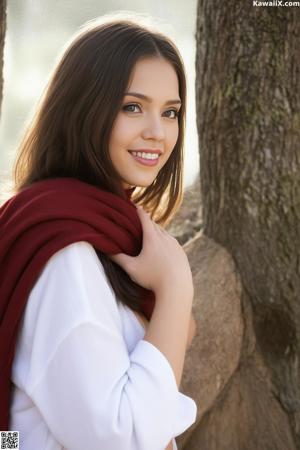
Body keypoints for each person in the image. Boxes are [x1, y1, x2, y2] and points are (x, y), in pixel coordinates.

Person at [0, 16, 197, 450]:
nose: (157, 132)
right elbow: (120, 439)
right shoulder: (65, 255)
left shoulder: (102, 229)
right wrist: (175, 288)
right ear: (82, 107)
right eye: (132, 107)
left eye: (170, 112)